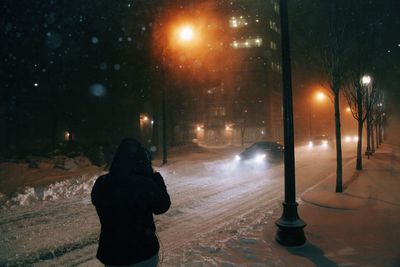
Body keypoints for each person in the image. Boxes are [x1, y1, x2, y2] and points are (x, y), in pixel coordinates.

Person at [91, 138, 171, 266]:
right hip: (142, 254)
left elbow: (96, 200)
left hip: (112, 254)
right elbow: (162, 206)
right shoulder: (144, 184)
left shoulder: (103, 183)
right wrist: (156, 179)